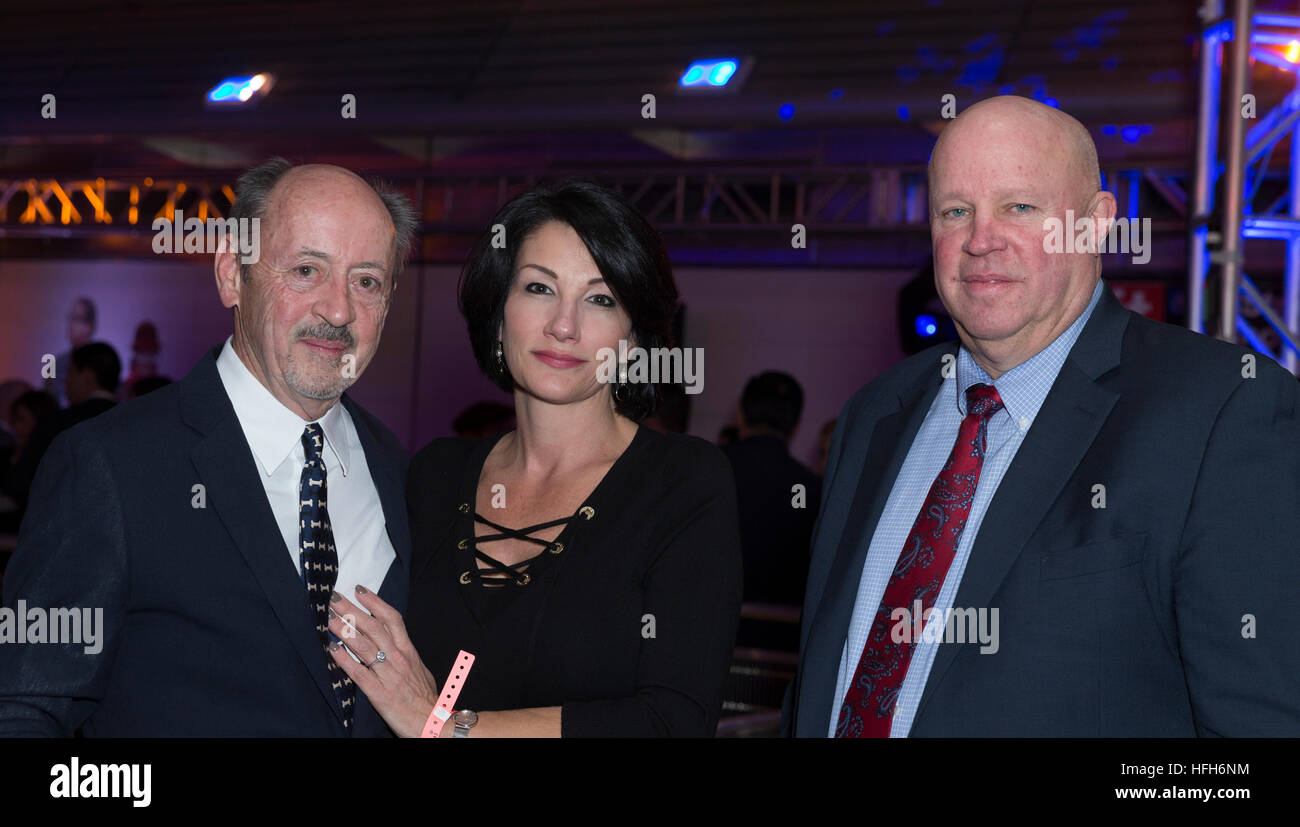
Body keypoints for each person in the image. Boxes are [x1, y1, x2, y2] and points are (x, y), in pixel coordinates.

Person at [785, 96, 1300, 737]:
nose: (979, 240)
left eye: (1019, 207)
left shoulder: (1222, 412)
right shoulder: (875, 413)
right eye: (955, 211)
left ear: (1096, 224)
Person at [0, 158, 417, 736]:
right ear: (231, 275)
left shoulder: (401, 472)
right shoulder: (112, 466)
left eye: (366, 280)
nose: (339, 309)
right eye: (305, 270)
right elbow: (24, 709)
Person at [326, 180, 743, 737]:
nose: (563, 326)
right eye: (539, 288)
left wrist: (448, 729)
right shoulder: (435, 475)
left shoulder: (682, 483)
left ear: (634, 339)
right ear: (498, 314)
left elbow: (672, 721)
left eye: (600, 299)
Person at [723, 371, 821, 610]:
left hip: (709, 631)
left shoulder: (706, 472)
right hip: (783, 637)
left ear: (740, 413)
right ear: (796, 424)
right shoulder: (814, 489)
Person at [45, 297, 96, 407]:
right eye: (70, 318)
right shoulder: (55, 364)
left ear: (91, 326)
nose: (71, 325)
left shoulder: (101, 361)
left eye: (78, 318)